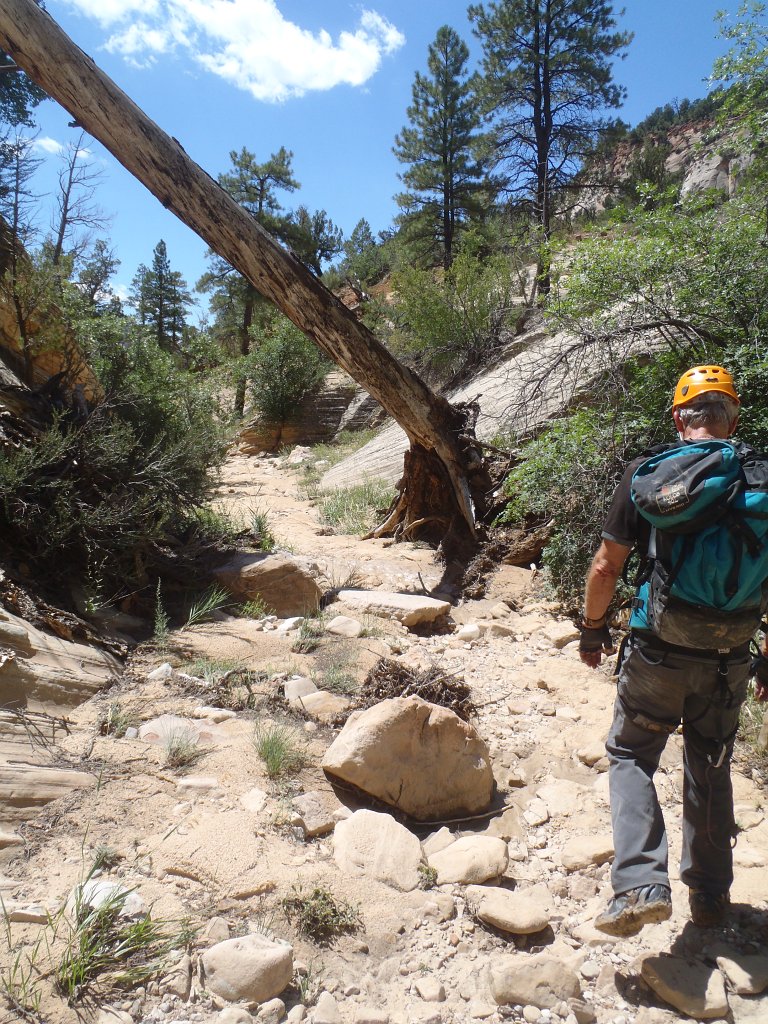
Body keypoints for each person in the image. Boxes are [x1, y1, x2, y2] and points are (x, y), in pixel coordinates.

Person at [579, 365, 768, 937]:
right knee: (710, 763)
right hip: (729, 654)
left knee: (633, 753)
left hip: (658, 648)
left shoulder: (652, 477)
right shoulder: (762, 480)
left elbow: (607, 565)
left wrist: (592, 629)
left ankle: (639, 883)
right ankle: (710, 896)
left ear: (678, 418)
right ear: (733, 417)